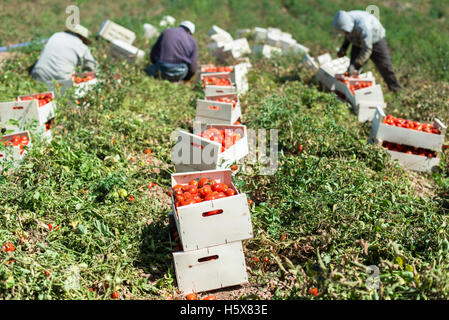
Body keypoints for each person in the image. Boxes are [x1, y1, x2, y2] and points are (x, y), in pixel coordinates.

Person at [332, 10, 401, 92]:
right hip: (357, 41)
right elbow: (348, 35)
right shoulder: (346, 22)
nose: (345, 33)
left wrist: (356, 64)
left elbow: (367, 49)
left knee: (385, 66)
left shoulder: (363, 26)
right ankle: (352, 91)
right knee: (351, 70)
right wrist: (344, 48)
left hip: (376, 40)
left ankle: (395, 89)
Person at [30, 24, 98, 82]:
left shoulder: (56, 35)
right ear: (83, 38)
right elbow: (92, 66)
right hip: (60, 80)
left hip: (37, 75)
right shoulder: (81, 46)